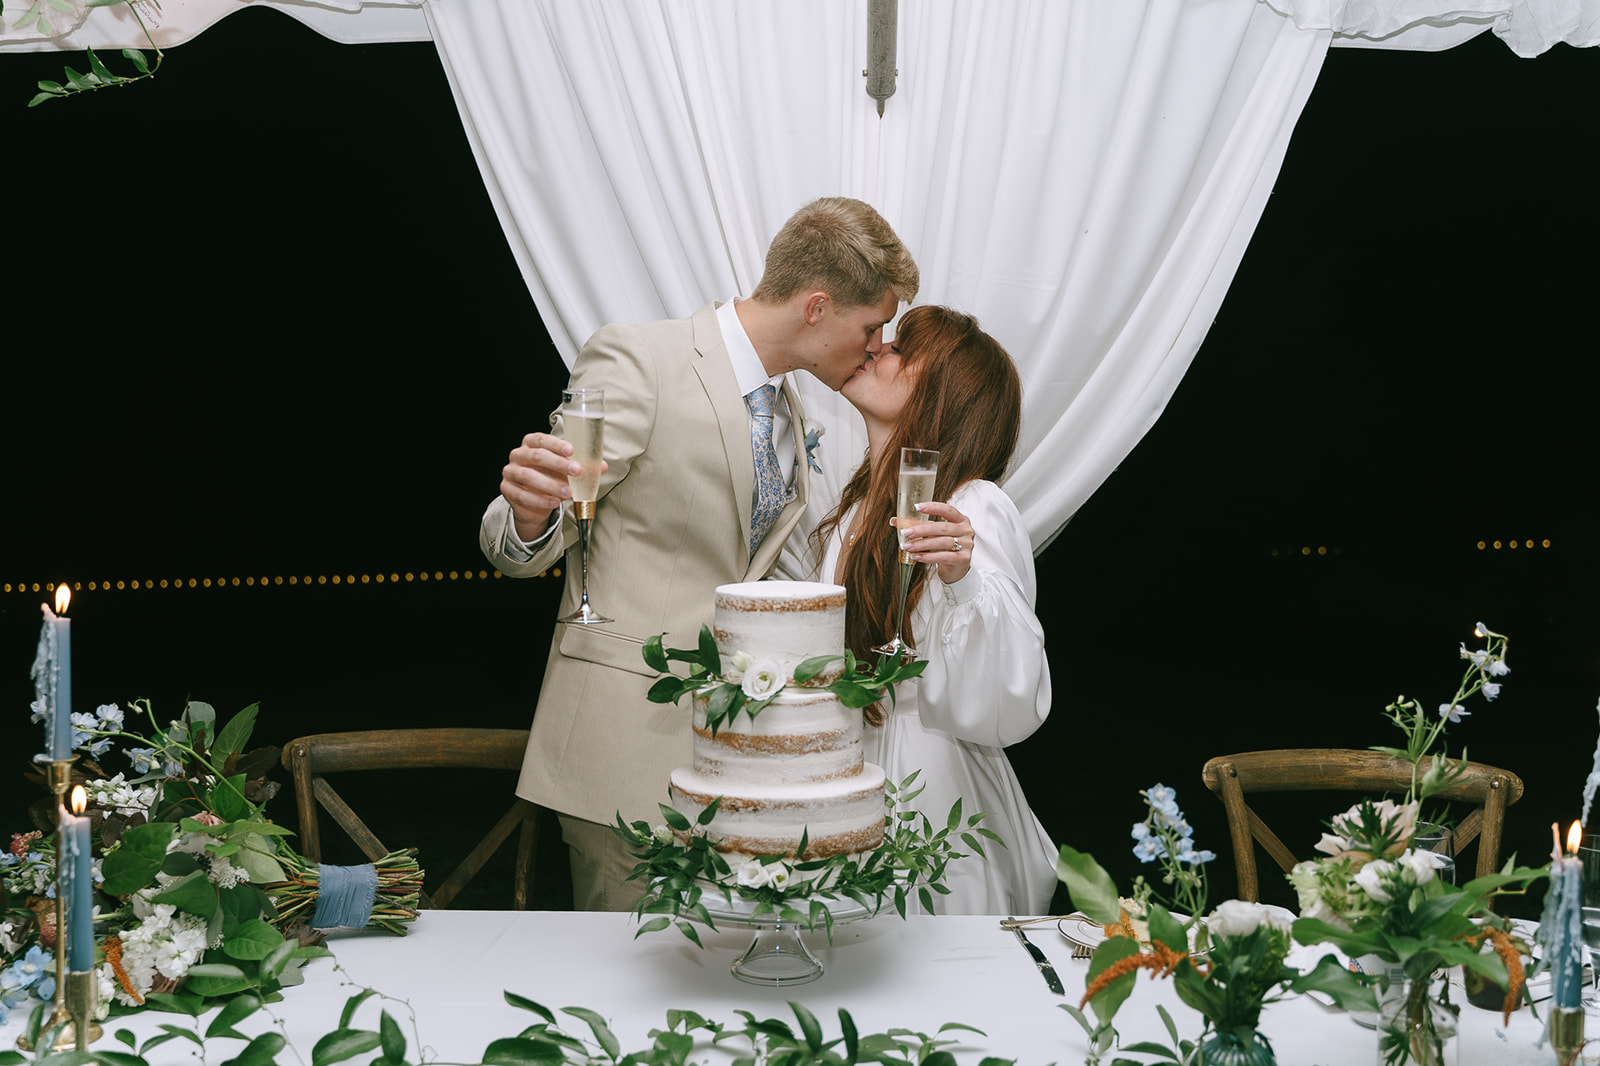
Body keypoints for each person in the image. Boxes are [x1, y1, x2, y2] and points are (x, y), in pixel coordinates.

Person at [479, 197, 919, 911]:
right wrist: (530, 513)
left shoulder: (787, 409)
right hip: (618, 752)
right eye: (871, 327)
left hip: (720, 758)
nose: (875, 346)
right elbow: (527, 540)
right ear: (817, 307)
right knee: (618, 988)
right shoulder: (641, 359)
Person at [801, 304, 1056, 915]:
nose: (877, 350)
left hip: (931, 781)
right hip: (850, 766)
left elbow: (1010, 687)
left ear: (943, 393)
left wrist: (963, 576)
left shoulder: (974, 505)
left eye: (901, 352)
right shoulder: (861, 505)